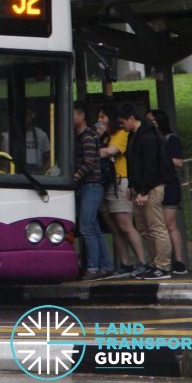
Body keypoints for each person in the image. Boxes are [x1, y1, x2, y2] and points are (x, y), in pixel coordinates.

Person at [119, 102, 173, 279]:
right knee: (144, 228)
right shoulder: (135, 135)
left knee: (156, 227)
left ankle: (163, 265)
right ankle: (154, 263)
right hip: (141, 187)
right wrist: (132, 187)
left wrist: (143, 191)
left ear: (131, 118)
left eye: (122, 122)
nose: (121, 125)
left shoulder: (147, 136)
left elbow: (150, 166)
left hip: (150, 187)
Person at [96, 106, 147, 276]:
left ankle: (141, 261)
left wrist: (89, 152)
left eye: (103, 116)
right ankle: (124, 263)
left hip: (119, 180)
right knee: (114, 226)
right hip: (105, 183)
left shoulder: (121, 134)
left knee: (125, 224)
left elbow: (111, 151)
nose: (100, 120)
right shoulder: (104, 136)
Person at [73, 102, 112, 279]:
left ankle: (93, 267)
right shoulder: (82, 136)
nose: (71, 118)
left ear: (81, 116)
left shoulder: (87, 137)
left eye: (73, 114)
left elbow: (88, 163)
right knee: (94, 227)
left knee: (86, 226)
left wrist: (74, 177)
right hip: (89, 185)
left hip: (91, 185)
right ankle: (105, 264)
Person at [148, 109, 188, 275]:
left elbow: (179, 162)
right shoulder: (152, 139)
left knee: (169, 224)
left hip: (170, 185)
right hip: (157, 184)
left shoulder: (170, 139)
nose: (150, 124)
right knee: (159, 225)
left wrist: (161, 156)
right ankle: (163, 260)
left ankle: (179, 261)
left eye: (152, 121)